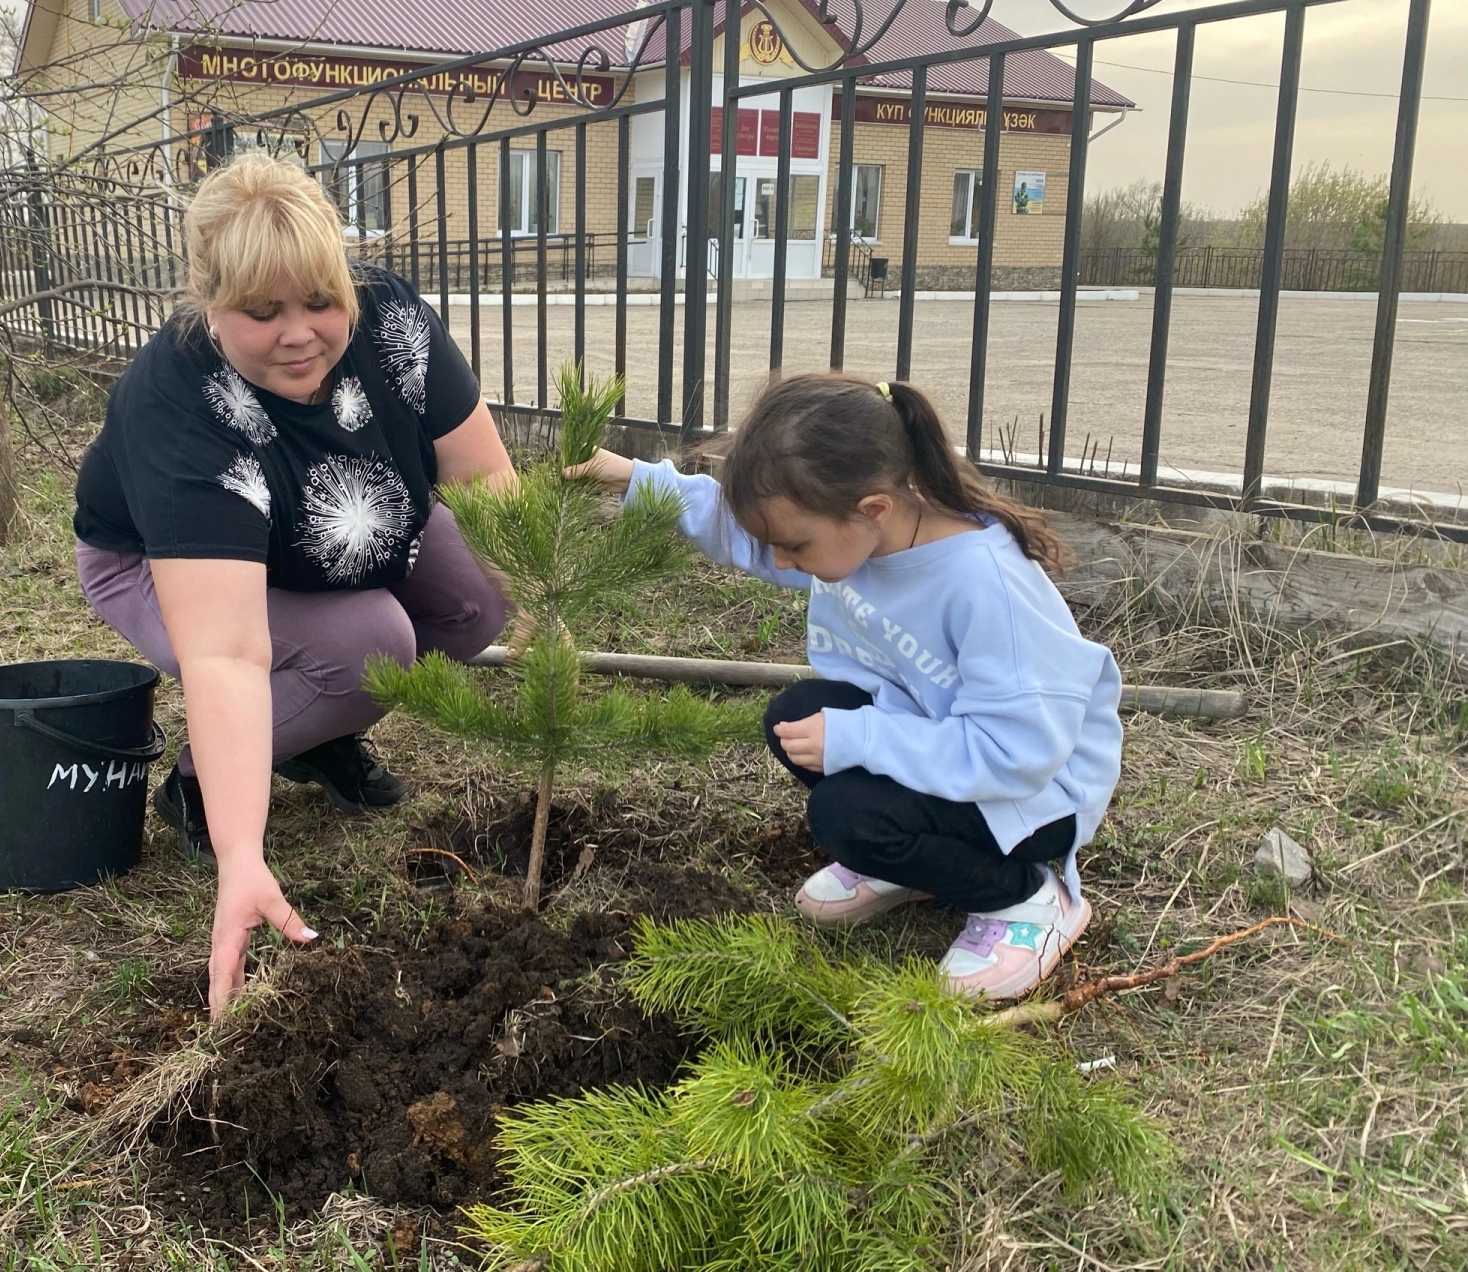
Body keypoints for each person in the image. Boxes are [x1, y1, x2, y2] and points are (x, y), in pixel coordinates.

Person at [71, 153, 511, 1015]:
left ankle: (311, 728)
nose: (300, 332)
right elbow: (228, 650)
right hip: (167, 570)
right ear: (209, 301)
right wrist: (242, 852)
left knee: (480, 597)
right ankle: (207, 782)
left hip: (342, 540)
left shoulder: (394, 326)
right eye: (261, 313)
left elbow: (491, 487)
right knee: (367, 648)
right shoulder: (181, 405)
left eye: (320, 300)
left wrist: (552, 602)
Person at [573, 373, 1121, 1000]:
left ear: (872, 511)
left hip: (1036, 795)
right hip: (942, 739)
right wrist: (634, 479)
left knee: (845, 817)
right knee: (796, 718)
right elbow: (741, 529)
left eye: (794, 545)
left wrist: (862, 736)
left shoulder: (985, 585)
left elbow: (1015, 754)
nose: (778, 561)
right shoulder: (863, 536)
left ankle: (1023, 900)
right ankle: (909, 865)